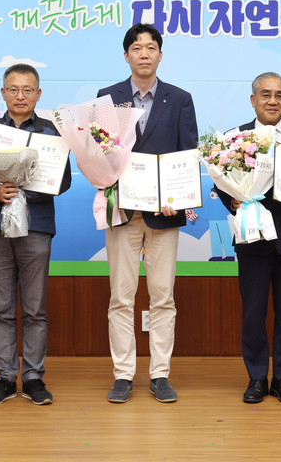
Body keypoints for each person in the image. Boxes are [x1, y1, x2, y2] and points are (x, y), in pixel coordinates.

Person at [97, 23, 198, 403]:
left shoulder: (180, 98)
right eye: (137, 47)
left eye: (151, 47)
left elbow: (187, 153)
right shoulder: (108, 98)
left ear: (160, 54)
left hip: (163, 213)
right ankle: (123, 374)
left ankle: (160, 374)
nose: (144, 53)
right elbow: (99, 154)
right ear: (126, 56)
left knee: (163, 297)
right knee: (121, 298)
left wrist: (180, 195)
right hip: (122, 210)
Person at [0, 64, 71, 407]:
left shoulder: (52, 132)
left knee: (34, 309)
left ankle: (33, 378)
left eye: (27, 90)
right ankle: (4, 378)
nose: (20, 96)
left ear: (38, 94)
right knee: (0, 308)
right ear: (3, 93)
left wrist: (29, 190)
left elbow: (63, 180)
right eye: (13, 89)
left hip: (36, 226)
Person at [216, 72, 281, 405]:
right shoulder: (235, 137)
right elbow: (220, 180)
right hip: (251, 236)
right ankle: (257, 377)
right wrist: (233, 200)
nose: (273, 100)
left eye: (279, 95)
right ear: (253, 99)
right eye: (266, 94)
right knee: (253, 312)